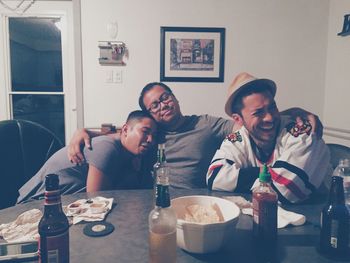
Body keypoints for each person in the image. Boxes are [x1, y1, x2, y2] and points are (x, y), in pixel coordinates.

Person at [68, 82, 323, 190]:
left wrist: (291, 114)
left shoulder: (206, 124)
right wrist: (84, 131)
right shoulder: (151, 134)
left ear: (175, 98)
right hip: (154, 201)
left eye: (165, 98)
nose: (162, 106)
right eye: (154, 105)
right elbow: (123, 132)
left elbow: (248, 122)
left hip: (201, 198)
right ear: (150, 115)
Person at [206, 72, 331, 203]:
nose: (270, 117)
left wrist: (238, 177)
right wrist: (269, 174)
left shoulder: (303, 131)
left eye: (272, 107)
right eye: (258, 113)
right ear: (238, 119)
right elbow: (214, 176)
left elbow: (285, 190)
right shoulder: (238, 137)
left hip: (320, 216)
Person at [17, 110, 157, 204]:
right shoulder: (107, 148)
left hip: (64, 204)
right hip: (34, 204)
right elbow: (98, 202)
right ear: (125, 130)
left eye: (154, 135)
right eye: (145, 131)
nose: (150, 139)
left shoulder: (128, 153)